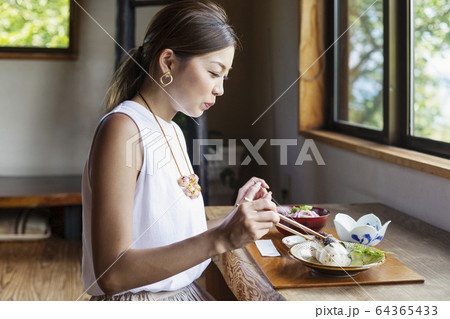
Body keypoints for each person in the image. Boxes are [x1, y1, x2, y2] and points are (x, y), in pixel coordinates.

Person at [81, 0, 279, 301]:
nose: (220, 89)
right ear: (169, 62)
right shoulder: (124, 128)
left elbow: (171, 235)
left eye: (225, 76)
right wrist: (222, 236)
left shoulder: (172, 129)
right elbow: (113, 273)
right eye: (214, 72)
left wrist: (235, 219)